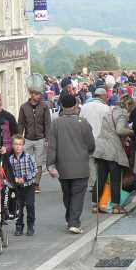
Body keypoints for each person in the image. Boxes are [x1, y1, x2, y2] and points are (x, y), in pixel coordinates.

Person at [47, 92, 96, 234]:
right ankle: (73, 221)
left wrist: (50, 165)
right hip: (81, 165)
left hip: (63, 166)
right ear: (75, 105)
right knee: (78, 195)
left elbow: (52, 146)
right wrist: (89, 151)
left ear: (61, 105)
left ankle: (70, 219)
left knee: (67, 194)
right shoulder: (83, 123)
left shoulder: (56, 123)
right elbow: (91, 144)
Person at [92, 92, 134, 213]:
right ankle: (116, 205)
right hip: (112, 149)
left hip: (101, 147)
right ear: (129, 106)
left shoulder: (109, 111)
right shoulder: (122, 114)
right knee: (116, 177)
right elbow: (120, 130)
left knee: (101, 177)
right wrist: (131, 131)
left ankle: (95, 204)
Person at [18, 88, 51, 194]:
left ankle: (36, 184)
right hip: (27, 138)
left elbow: (47, 123)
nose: (39, 96)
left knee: (38, 163)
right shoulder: (23, 107)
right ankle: (28, 183)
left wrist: (47, 138)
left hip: (40, 138)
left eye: (40, 94)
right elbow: (21, 123)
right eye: (36, 94)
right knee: (26, 162)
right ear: (31, 94)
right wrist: (20, 137)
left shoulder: (44, 106)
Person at [9, 135, 38, 236]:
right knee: (18, 207)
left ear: (23, 145)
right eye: (16, 144)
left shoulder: (29, 157)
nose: (18, 147)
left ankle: (31, 225)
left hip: (28, 186)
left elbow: (35, 171)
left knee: (30, 205)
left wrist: (25, 178)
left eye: (20, 144)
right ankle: (19, 226)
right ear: (12, 145)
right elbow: (9, 173)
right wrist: (14, 179)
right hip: (17, 187)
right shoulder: (10, 159)